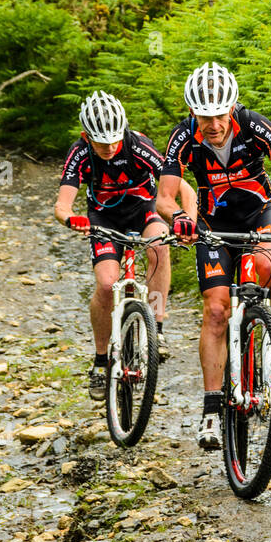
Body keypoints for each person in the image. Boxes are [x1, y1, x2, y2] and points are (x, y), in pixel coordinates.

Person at [156, 61, 271, 450]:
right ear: (193, 113)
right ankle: (210, 410)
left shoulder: (253, 125)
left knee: (270, 264)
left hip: (259, 213)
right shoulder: (183, 137)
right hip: (213, 224)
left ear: (232, 108)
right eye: (204, 117)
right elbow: (164, 198)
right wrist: (181, 217)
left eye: (220, 114)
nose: (213, 124)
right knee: (217, 311)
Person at [54, 89, 188, 401]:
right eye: (101, 142)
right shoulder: (80, 153)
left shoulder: (138, 145)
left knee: (158, 245)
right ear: (86, 137)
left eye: (114, 139)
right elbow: (62, 206)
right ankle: (101, 362)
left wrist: (187, 220)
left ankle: (157, 326)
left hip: (145, 211)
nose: (110, 147)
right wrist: (71, 219)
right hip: (103, 219)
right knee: (105, 285)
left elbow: (182, 187)